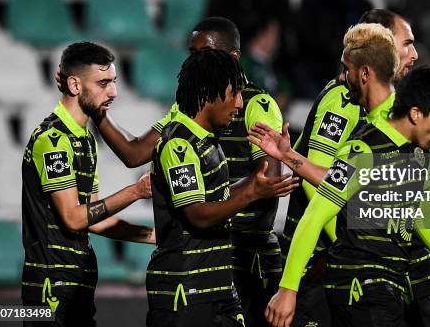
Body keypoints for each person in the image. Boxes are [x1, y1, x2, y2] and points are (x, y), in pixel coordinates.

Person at [248, 36, 430, 326]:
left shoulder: (417, 155)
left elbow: (422, 215)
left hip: (390, 287)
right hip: (360, 290)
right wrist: (288, 290)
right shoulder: (362, 151)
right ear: (415, 113)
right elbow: (315, 215)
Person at [89, 17, 285, 327]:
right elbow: (136, 153)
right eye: (191, 52)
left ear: (231, 57)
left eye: (200, 53)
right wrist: (97, 113)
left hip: (249, 257)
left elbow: (268, 182)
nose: (192, 61)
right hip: (201, 257)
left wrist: (217, 198)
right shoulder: (187, 111)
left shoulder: (258, 105)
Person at [282, 11, 421, 327]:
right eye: (406, 44)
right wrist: (350, 248)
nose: (413, 54)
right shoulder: (342, 101)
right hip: (319, 261)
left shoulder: (392, 110)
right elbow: (314, 181)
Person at [146, 49, 298, 327]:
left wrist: (259, 181)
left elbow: (222, 197)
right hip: (185, 292)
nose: (240, 103)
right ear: (208, 93)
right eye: (234, 94)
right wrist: (252, 191)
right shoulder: (178, 144)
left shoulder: (207, 141)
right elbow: (198, 214)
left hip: (216, 287)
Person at [21, 42, 155, 327]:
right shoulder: (53, 140)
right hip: (50, 287)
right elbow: (72, 218)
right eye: (103, 83)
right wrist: (136, 191)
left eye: (115, 82)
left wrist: (152, 236)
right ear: (74, 84)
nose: (114, 92)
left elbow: (91, 218)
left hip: (77, 282)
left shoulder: (85, 139)